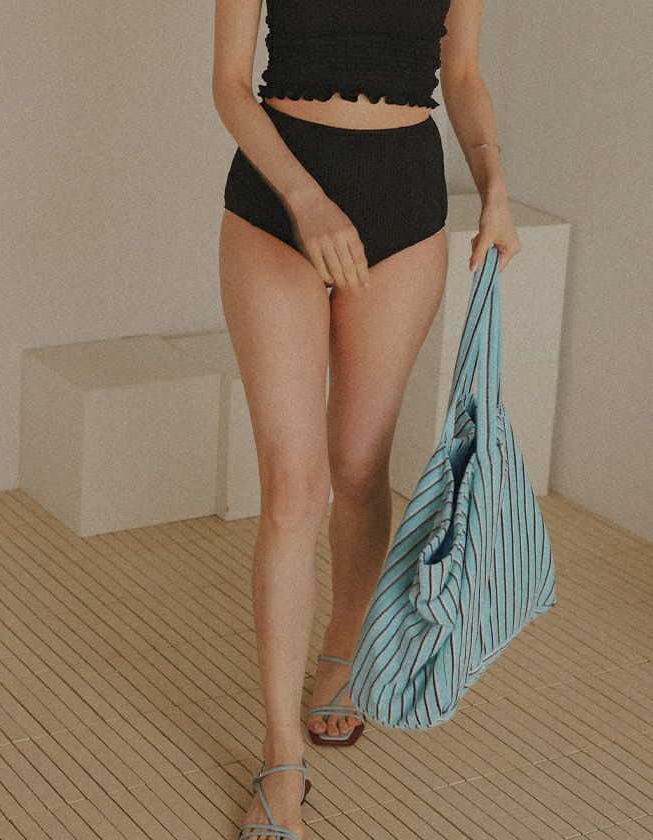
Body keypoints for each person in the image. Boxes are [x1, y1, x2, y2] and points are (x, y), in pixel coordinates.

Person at [212, 1, 521, 837]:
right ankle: (281, 757)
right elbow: (230, 84)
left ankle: (343, 646)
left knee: (358, 466)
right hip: (279, 199)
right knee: (293, 490)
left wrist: (494, 186)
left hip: (404, 200)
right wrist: (306, 200)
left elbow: (461, 74)